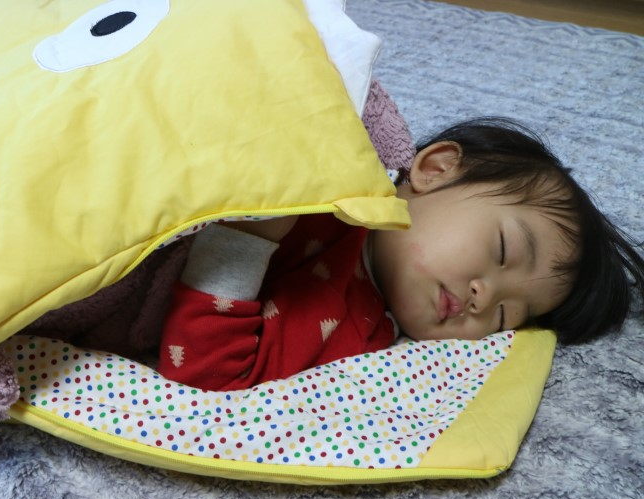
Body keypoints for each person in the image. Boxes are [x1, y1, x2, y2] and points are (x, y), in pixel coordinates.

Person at [156, 117, 644, 391]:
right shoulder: (348, 149)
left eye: (503, 315)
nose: (481, 296)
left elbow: (208, 377)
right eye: (501, 250)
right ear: (435, 169)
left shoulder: (358, 329)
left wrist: (244, 239)